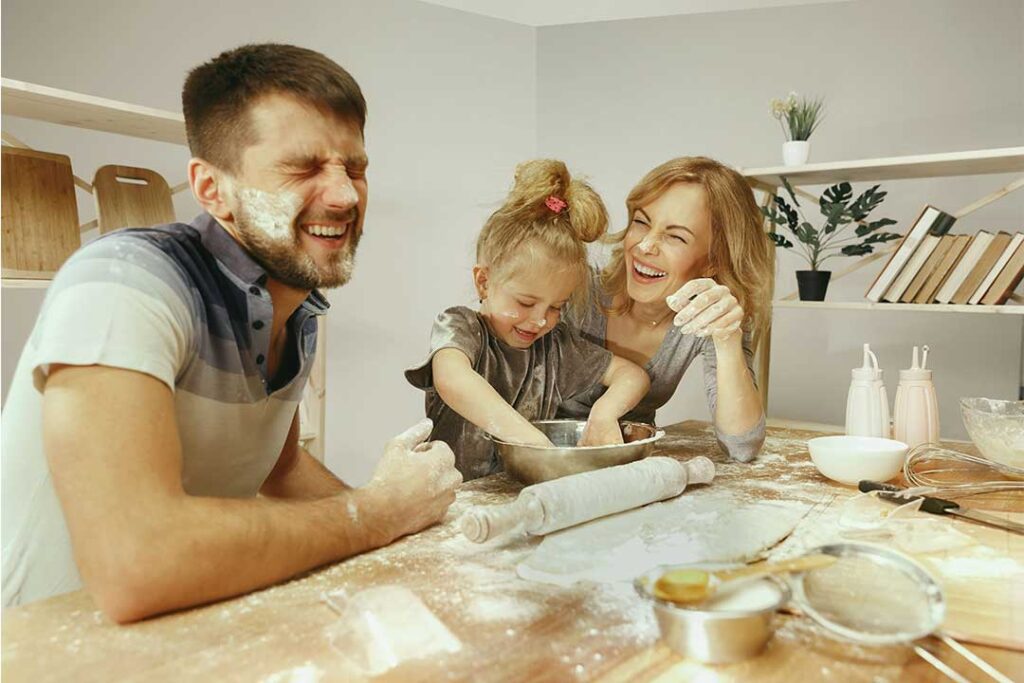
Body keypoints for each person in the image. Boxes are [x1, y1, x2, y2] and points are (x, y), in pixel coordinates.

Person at [1, 43, 461, 621]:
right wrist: (375, 513)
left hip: (182, 635)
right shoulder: (124, 283)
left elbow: (279, 466)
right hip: (42, 646)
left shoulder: (298, 307)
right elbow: (135, 562)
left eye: (356, 167)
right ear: (212, 188)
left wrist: (408, 522)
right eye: (304, 167)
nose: (346, 195)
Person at [405, 160, 651, 479]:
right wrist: (533, 443)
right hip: (449, 496)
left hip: (521, 495)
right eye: (525, 302)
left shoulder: (555, 346)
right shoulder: (461, 327)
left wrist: (604, 413)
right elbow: (452, 380)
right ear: (484, 282)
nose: (539, 321)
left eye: (556, 307)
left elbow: (633, 376)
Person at [558, 157, 771, 462]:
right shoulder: (573, 289)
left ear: (714, 260)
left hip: (620, 472)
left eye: (675, 237)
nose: (645, 245)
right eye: (642, 222)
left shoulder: (707, 316)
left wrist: (727, 340)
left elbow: (743, 445)